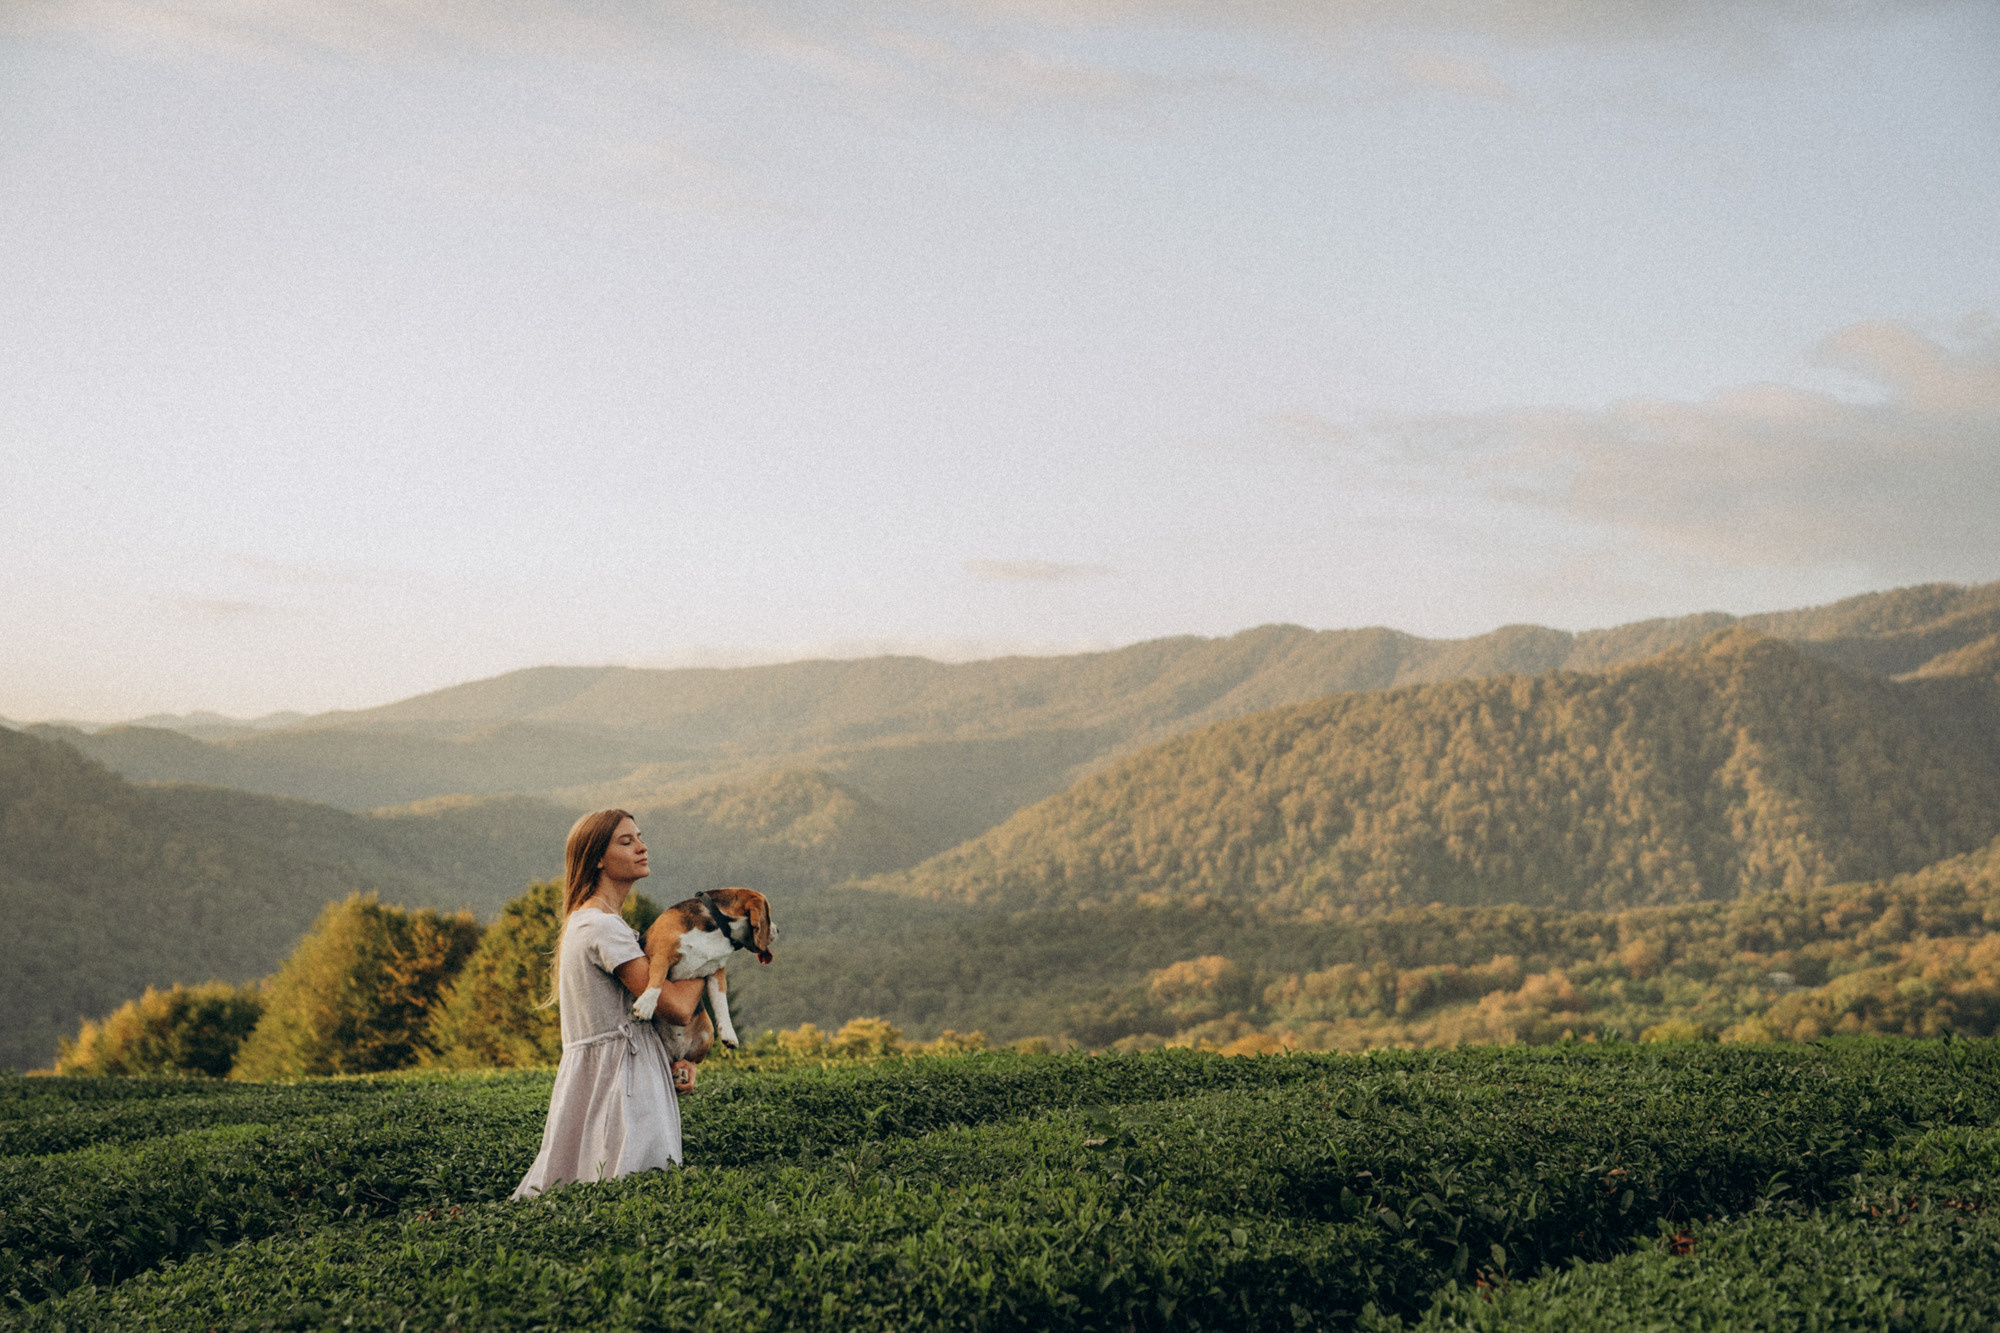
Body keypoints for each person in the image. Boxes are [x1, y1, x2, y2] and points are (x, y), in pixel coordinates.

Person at [512, 808, 707, 1200]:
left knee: (593, 1191)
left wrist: (675, 1058)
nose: (642, 846)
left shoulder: (596, 922)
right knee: (635, 1195)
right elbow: (677, 1007)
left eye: (640, 836)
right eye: (626, 841)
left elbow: (633, 1013)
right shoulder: (602, 927)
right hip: (624, 1083)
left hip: (622, 1071)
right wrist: (708, 952)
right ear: (598, 857)